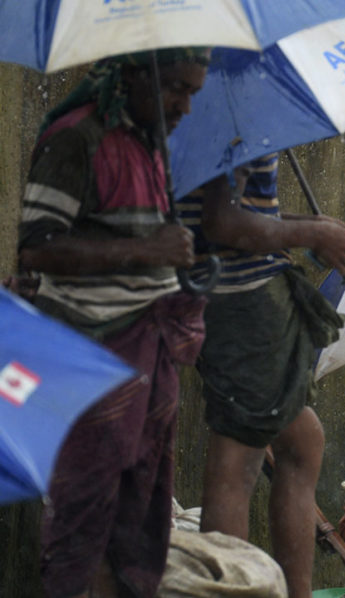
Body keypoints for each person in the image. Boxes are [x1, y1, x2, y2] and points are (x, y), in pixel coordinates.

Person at [16, 48, 212, 598]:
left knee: (141, 518)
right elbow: (37, 249)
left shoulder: (149, 144)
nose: (185, 106)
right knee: (86, 513)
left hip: (151, 354)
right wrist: (147, 249)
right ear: (132, 76)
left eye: (193, 92)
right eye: (176, 88)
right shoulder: (76, 139)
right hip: (93, 356)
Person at [177, 152, 345, 598]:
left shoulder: (223, 108)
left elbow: (235, 209)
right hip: (243, 301)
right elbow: (223, 223)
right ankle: (227, 588)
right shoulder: (234, 111)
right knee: (237, 461)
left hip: (227, 296)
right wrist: (309, 231)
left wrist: (315, 228)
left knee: (301, 442)